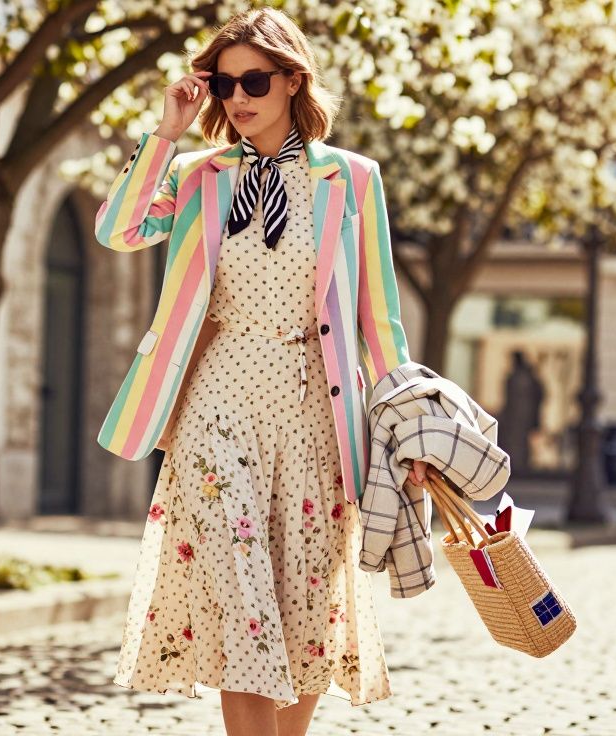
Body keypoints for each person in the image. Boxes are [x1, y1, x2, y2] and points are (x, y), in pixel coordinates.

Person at [99, 9, 423, 736]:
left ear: (292, 79)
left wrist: (407, 421)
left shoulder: (353, 180)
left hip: (316, 416)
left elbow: (379, 318)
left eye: (254, 80)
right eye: (223, 83)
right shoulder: (197, 176)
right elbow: (116, 229)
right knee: (239, 598)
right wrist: (166, 131)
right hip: (217, 406)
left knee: (304, 603)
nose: (237, 97)